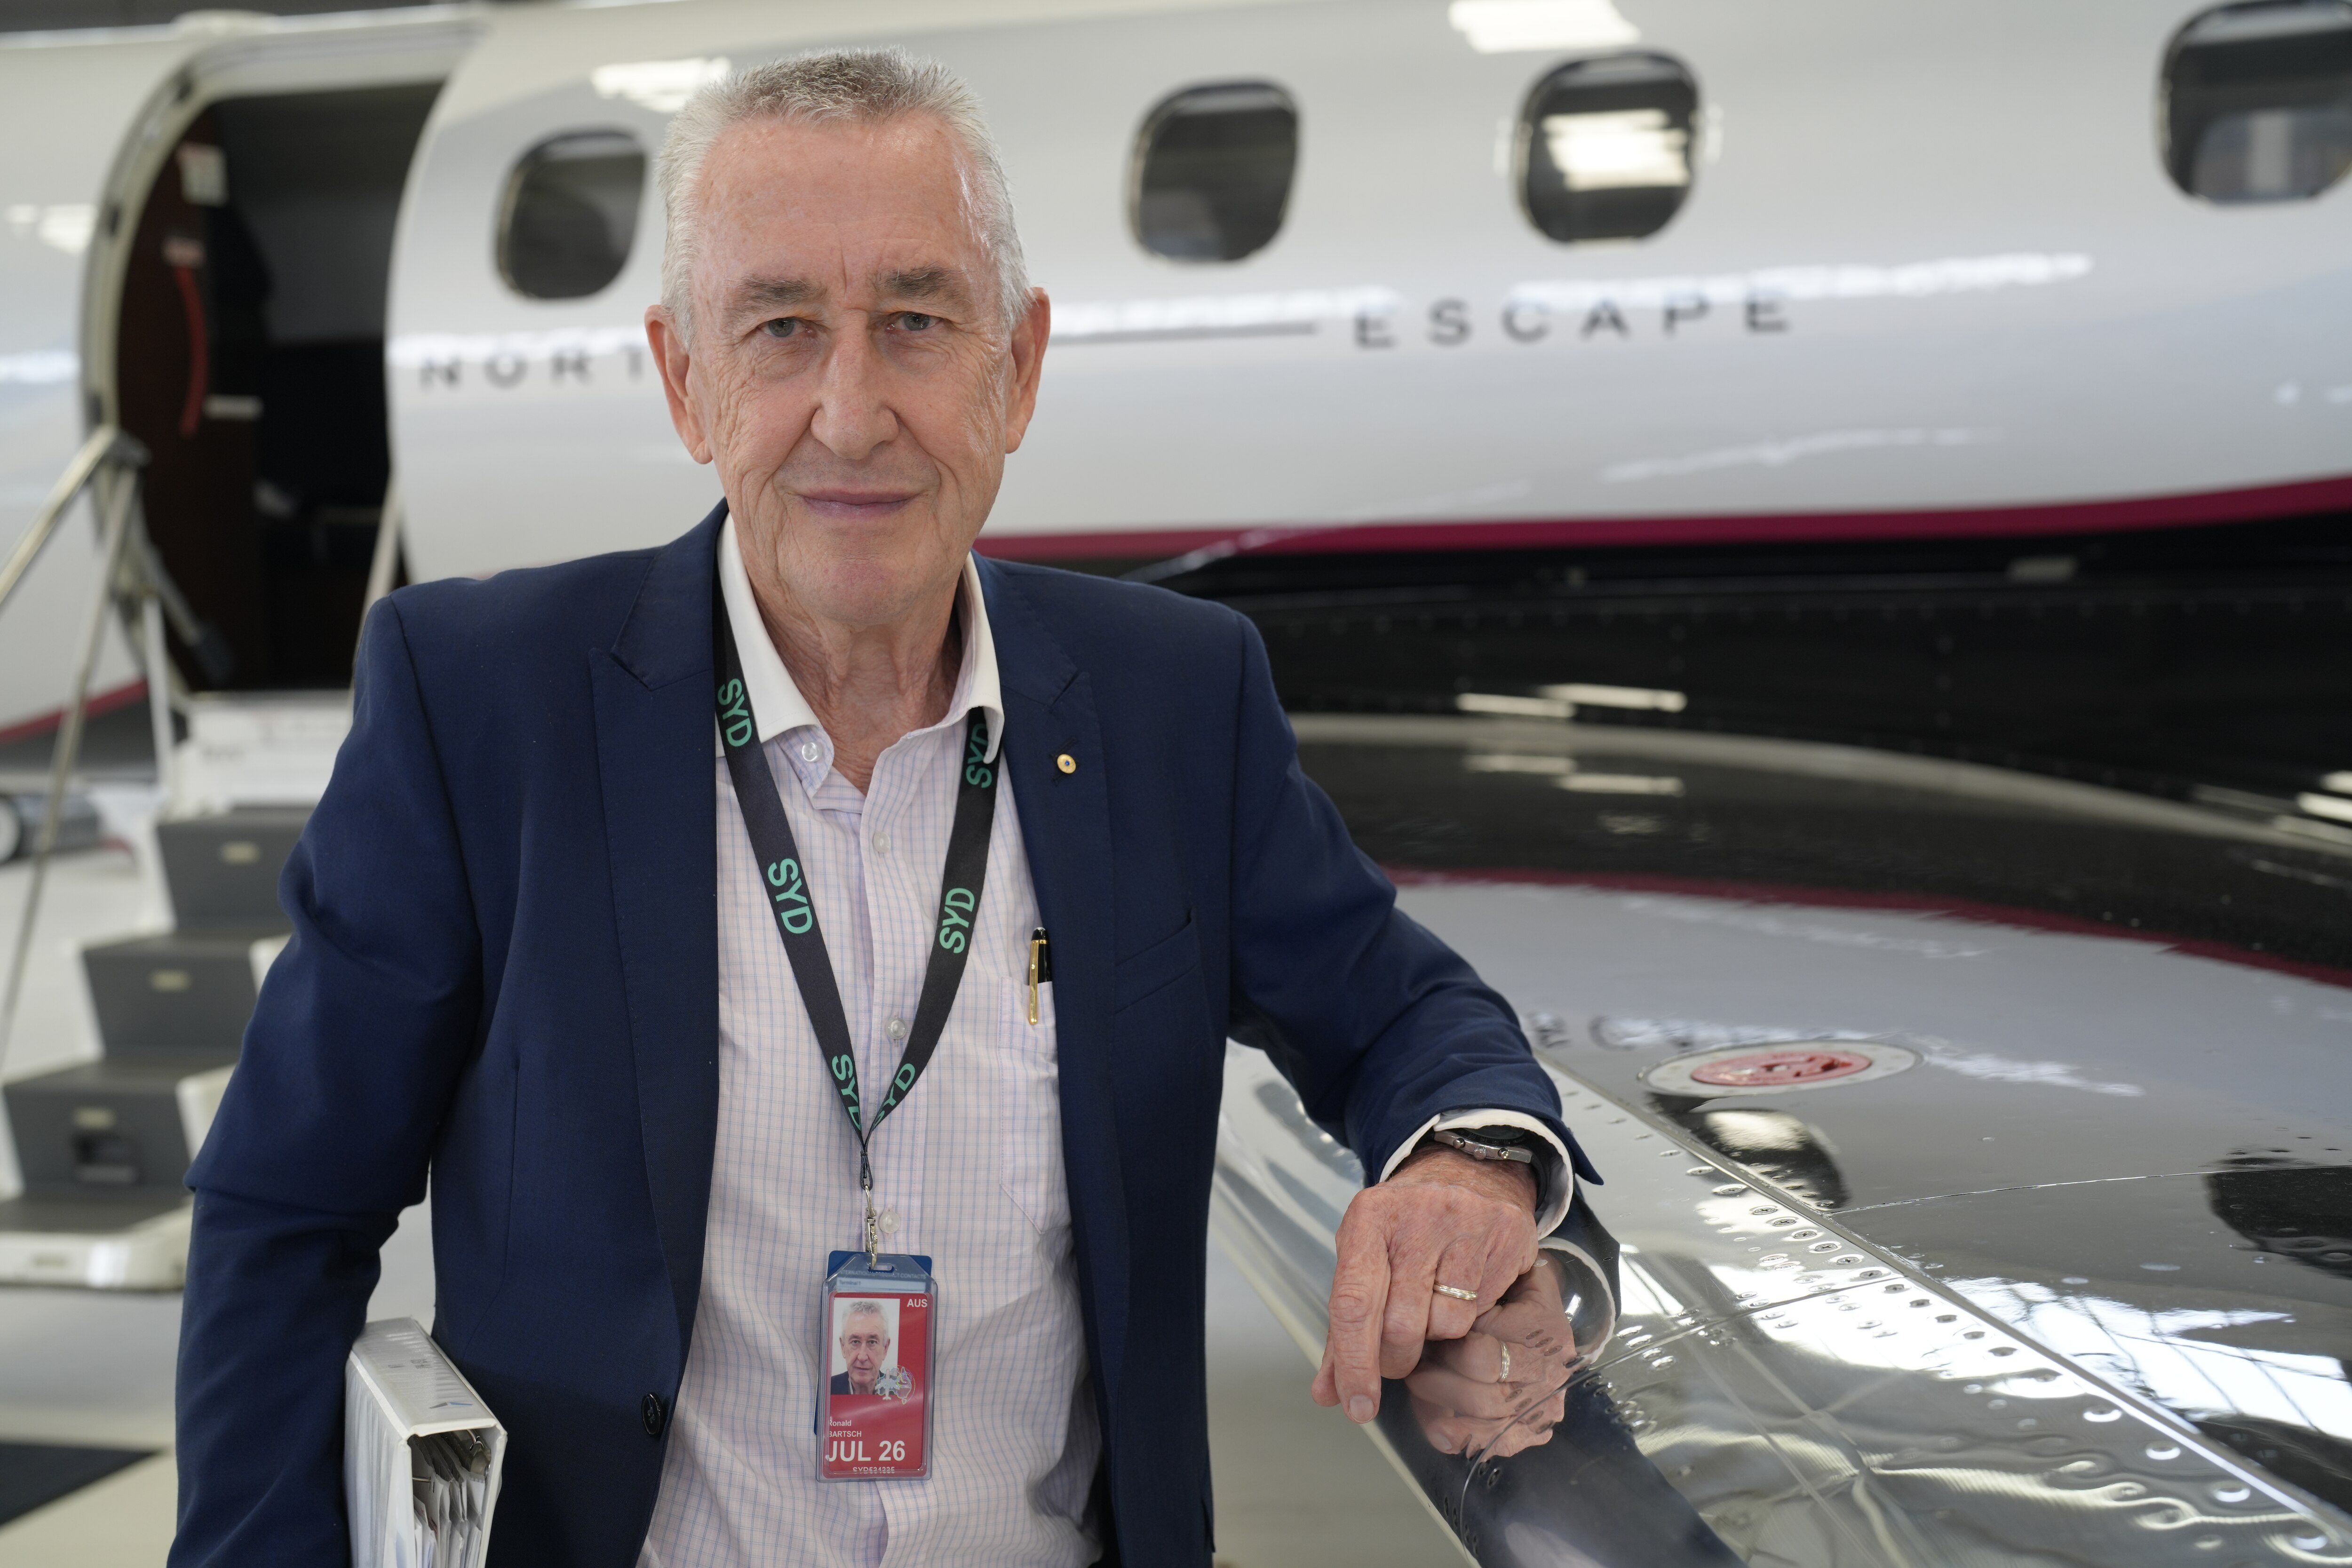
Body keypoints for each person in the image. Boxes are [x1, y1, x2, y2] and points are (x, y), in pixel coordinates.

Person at [168, 48, 1595, 1568]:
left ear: (1019, 366)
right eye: (780, 329)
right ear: (684, 378)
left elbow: (1400, 1014)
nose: (850, 414)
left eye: (915, 322)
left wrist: (1470, 1165)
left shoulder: (1170, 699)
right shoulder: (482, 703)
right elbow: (285, 1212)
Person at [831, 1302, 893, 1398]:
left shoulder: (902, 1393)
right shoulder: (826, 1390)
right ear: (843, 1346)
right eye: (855, 1342)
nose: (862, 1357)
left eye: (872, 1342)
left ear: (885, 1348)